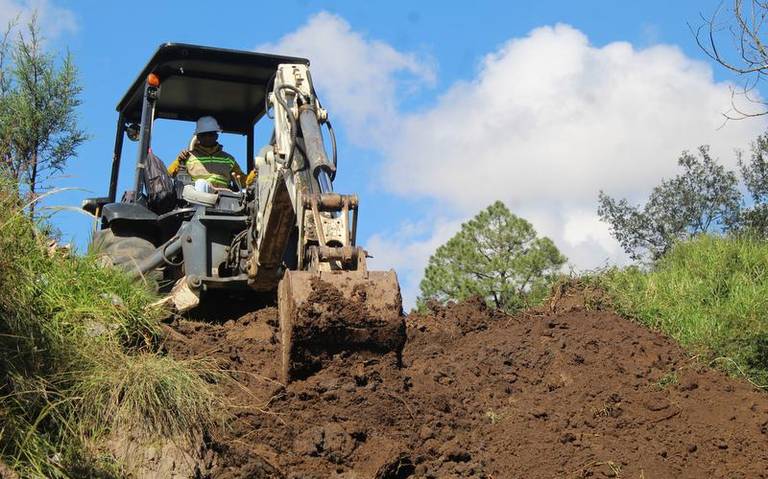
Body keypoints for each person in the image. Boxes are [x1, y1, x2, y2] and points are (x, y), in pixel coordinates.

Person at [167, 116, 247, 191]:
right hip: (197, 198)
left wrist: (255, 173)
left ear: (216, 136)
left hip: (224, 199)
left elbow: (243, 182)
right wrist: (179, 161)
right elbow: (168, 176)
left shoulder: (228, 159)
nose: (207, 137)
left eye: (210, 134)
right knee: (201, 183)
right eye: (204, 135)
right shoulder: (187, 157)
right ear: (198, 137)